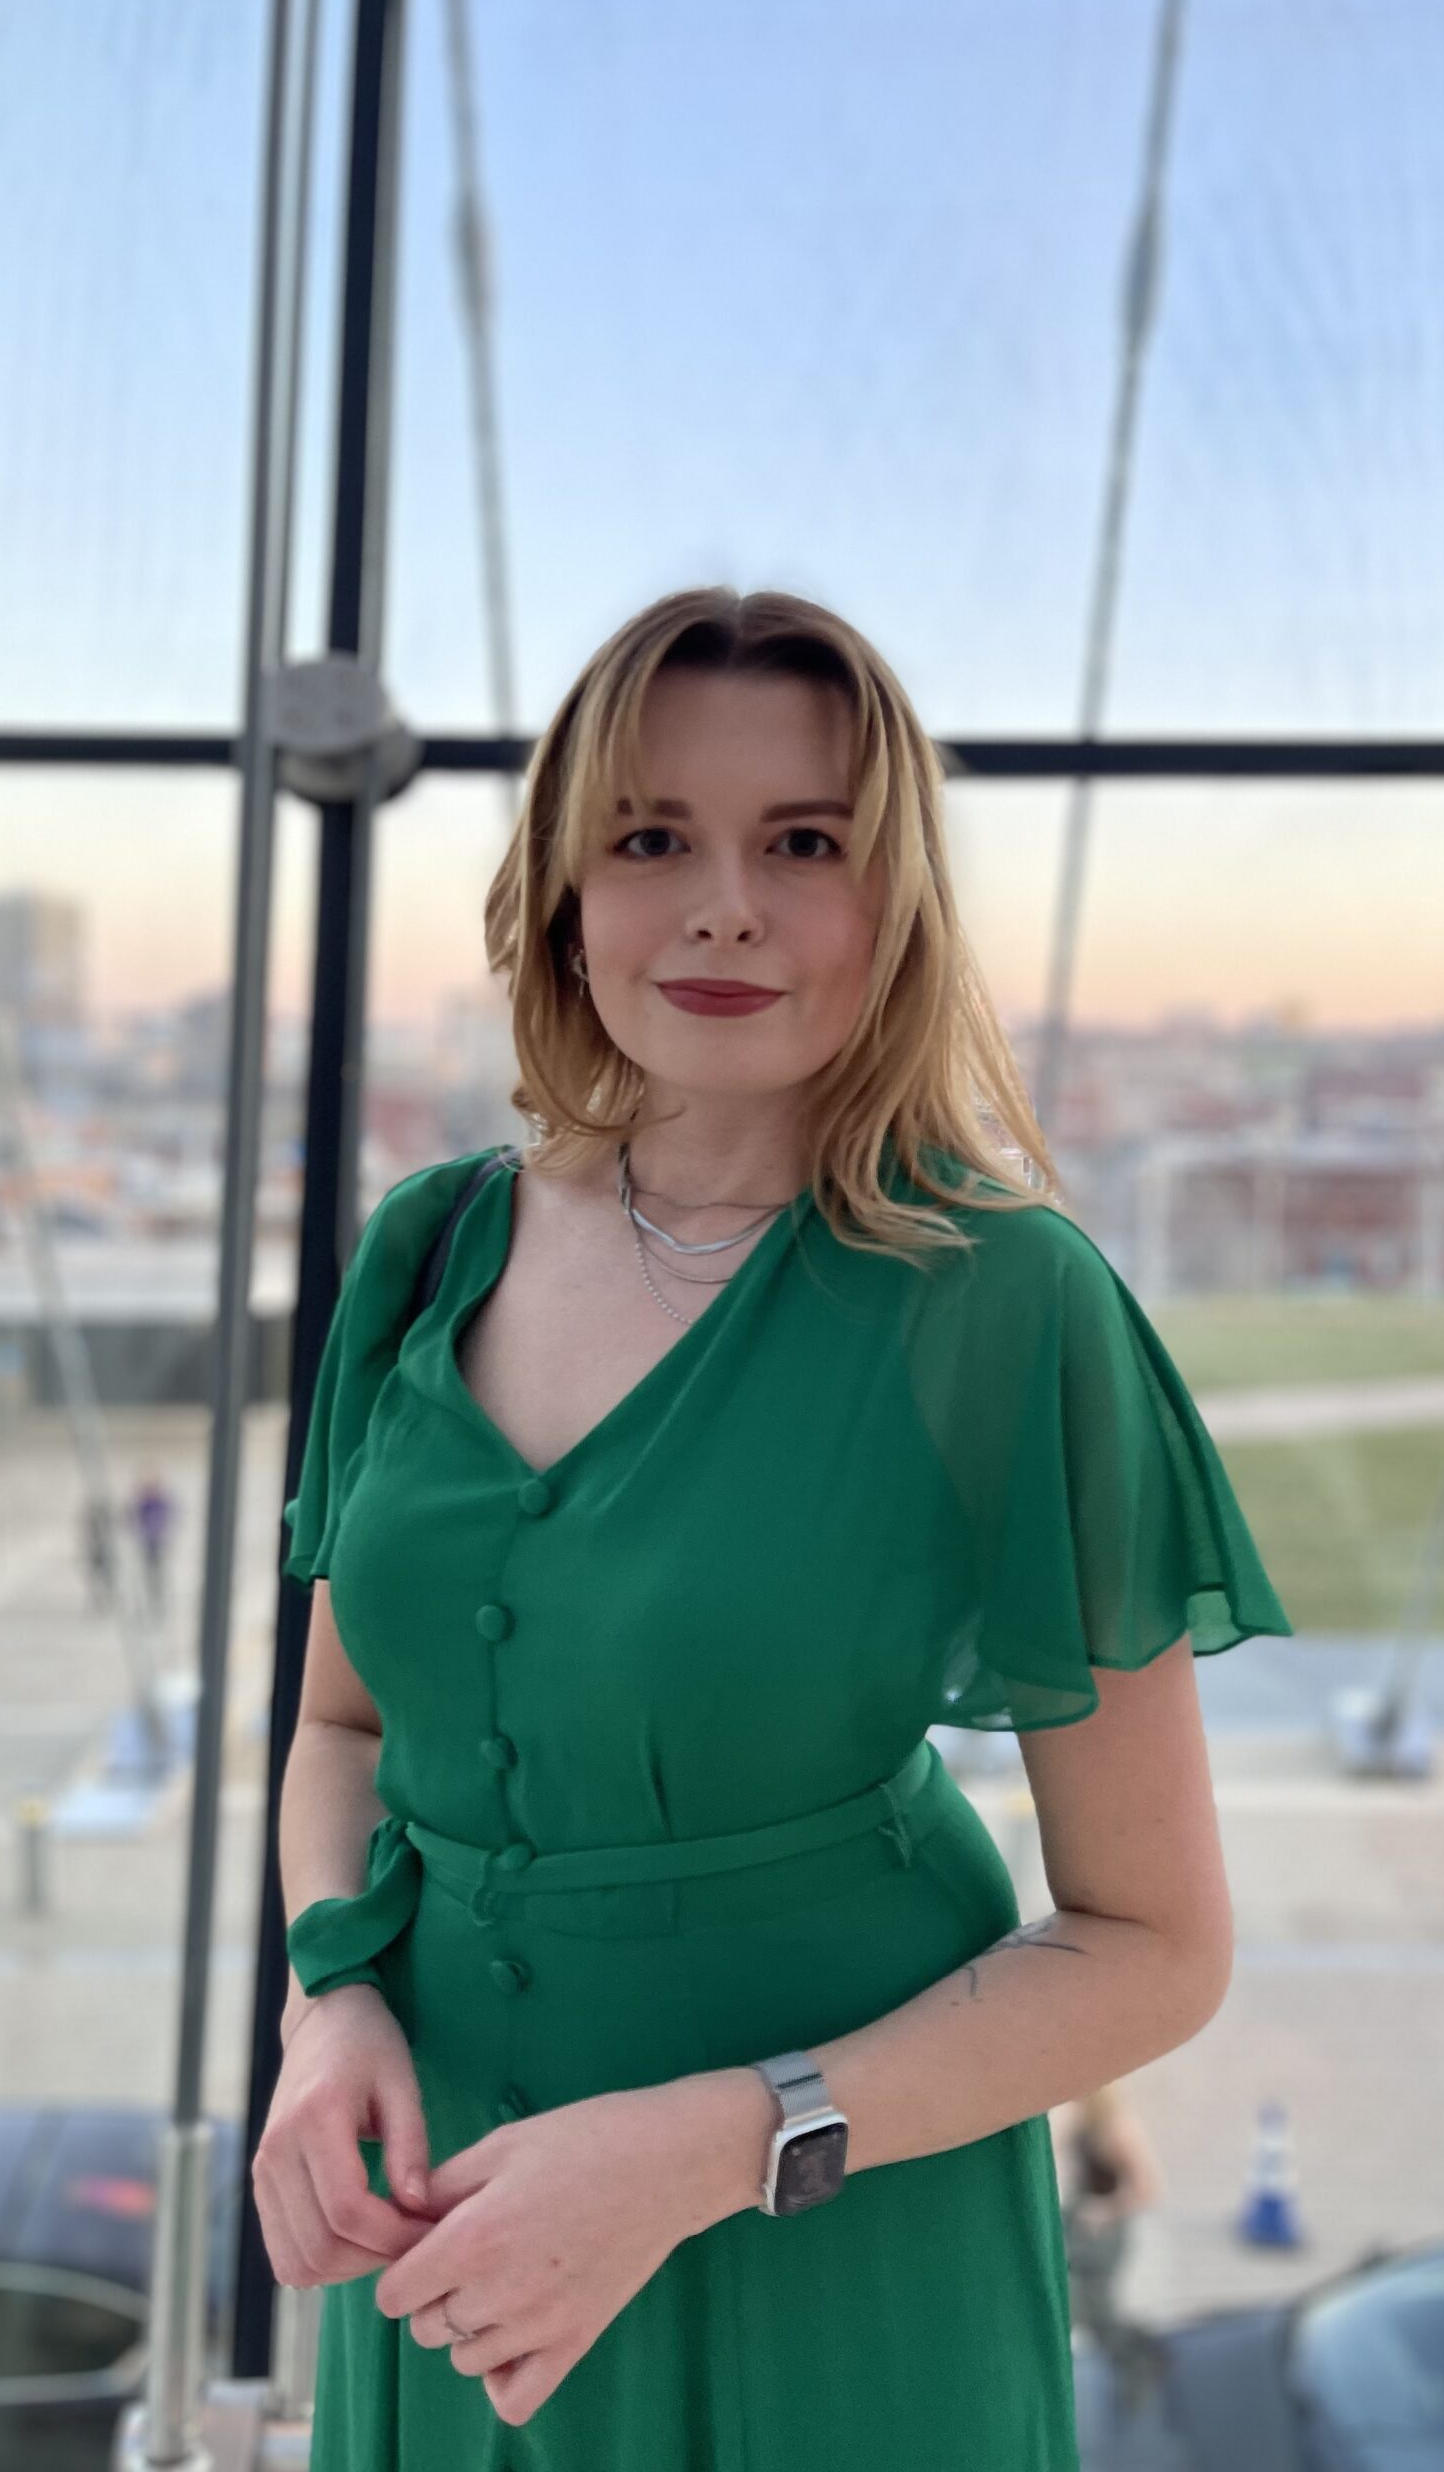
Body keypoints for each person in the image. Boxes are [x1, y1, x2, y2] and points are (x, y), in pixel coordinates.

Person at [251, 585, 1295, 2469]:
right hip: (454, 2223)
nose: (722, 903)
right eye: (652, 839)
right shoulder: (427, 1251)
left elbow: (1156, 1942)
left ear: (888, 901)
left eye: (800, 843)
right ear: (567, 890)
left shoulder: (1002, 1303)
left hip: (826, 2232)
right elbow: (343, 1728)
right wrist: (332, 1999)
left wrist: (714, 2147)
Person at [1054, 2079, 1166, 2391]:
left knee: (1095, 2306)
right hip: (1081, 2224)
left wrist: (1105, 2210)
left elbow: (1148, 2187)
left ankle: (1143, 2360)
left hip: (1104, 2232)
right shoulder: (1083, 2120)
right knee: (1082, 2300)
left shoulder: (1117, 2128)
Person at [129, 1471, 174, 1621]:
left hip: (158, 1542)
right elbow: (132, 1518)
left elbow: (168, 1519)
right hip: (147, 1542)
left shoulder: (160, 1503)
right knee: (148, 1573)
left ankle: (157, 1601)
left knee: (157, 1574)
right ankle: (148, 1601)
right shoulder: (145, 1503)